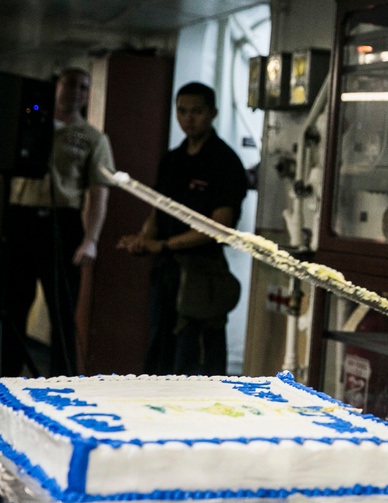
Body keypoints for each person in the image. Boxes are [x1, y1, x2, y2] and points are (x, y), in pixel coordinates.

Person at [118, 82, 247, 376]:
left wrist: (162, 245)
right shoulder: (172, 160)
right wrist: (143, 239)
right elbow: (157, 210)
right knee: (158, 354)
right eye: (182, 111)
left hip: (202, 276)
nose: (188, 118)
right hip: (166, 274)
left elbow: (219, 227)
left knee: (195, 361)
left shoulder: (225, 162)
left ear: (212, 113)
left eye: (197, 111)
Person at [2, 68, 114, 377]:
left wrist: (91, 238)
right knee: (11, 307)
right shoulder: (28, 125)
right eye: (70, 83)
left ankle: (62, 382)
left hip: (61, 223)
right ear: (57, 86)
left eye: (83, 87)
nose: (75, 91)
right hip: (20, 217)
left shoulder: (92, 138)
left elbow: (98, 192)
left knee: (62, 311)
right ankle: (7, 377)